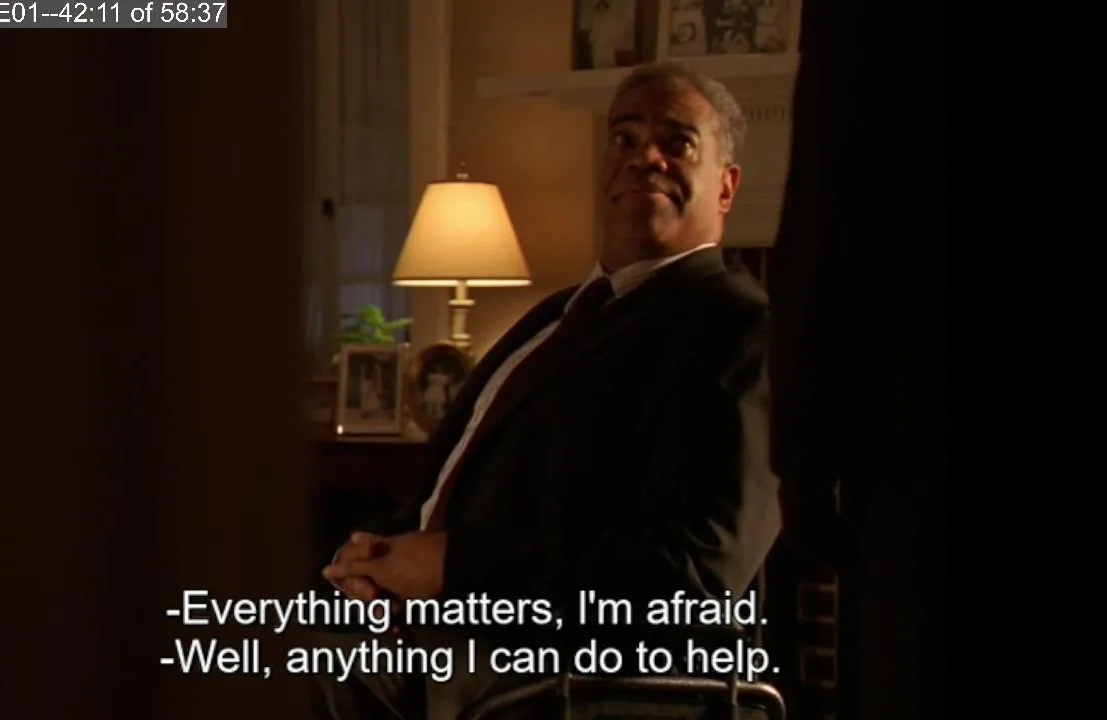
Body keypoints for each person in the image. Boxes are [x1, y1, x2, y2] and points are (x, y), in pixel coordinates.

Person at [314, 60, 781, 720]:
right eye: (623, 138)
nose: (644, 157)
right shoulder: (553, 319)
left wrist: (455, 571)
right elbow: (447, 500)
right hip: (420, 645)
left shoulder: (739, 331)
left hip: (558, 678)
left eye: (677, 143)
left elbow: (691, 584)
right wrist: (372, 559)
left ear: (726, 187)